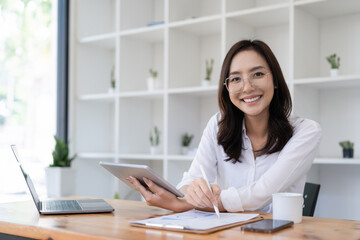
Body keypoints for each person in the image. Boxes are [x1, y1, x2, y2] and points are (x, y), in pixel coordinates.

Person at [127, 39, 322, 213]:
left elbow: (263, 192)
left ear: (275, 80)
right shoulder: (218, 125)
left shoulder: (306, 131)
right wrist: (189, 192)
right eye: (236, 78)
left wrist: (185, 204)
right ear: (227, 88)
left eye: (258, 74)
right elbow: (190, 181)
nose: (247, 87)